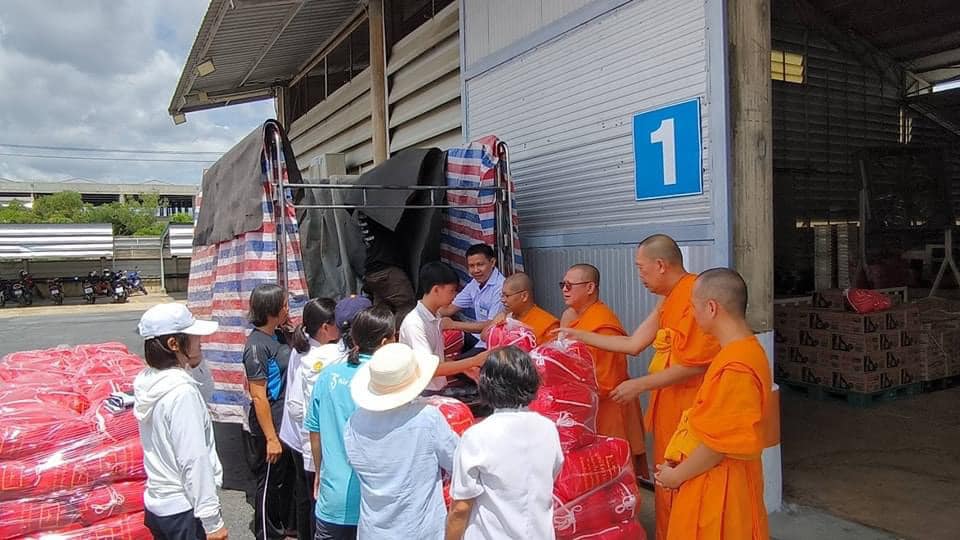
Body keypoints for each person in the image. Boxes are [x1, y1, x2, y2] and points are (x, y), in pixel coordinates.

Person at [557, 235, 720, 540]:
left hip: (692, 407)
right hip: (668, 405)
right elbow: (633, 344)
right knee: (667, 483)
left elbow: (698, 363)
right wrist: (577, 336)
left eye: (641, 269)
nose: (639, 276)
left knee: (687, 486)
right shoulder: (667, 300)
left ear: (661, 265)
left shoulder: (696, 295)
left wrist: (638, 385)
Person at [655, 268, 771, 540]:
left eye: (693, 308)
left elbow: (718, 446)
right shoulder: (735, 352)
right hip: (709, 476)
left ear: (711, 308)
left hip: (721, 488)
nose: (693, 316)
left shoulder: (738, 366)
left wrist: (676, 477)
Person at [446, 346, 563, 540]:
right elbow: (553, 473)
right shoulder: (548, 428)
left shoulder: (477, 436)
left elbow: (460, 507)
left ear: (486, 385)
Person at [344, 342, 456, 540]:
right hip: (420, 531)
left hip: (373, 531)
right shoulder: (427, 418)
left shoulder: (354, 423)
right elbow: (457, 461)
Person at [133, 303, 227, 540]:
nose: (200, 341)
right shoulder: (181, 393)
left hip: (159, 505)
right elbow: (194, 459)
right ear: (173, 344)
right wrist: (212, 521)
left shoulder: (150, 380)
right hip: (184, 509)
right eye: (193, 336)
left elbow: (204, 391)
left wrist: (196, 361)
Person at [304, 305, 397, 540]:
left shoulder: (328, 375)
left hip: (333, 498)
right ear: (385, 343)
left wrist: (319, 472)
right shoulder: (389, 383)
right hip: (376, 503)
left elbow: (315, 432)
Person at [555, 264, 647, 482]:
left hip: (607, 410)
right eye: (562, 285)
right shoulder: (575, 317)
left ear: (590, 288)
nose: (564, 289)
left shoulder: (603, 323)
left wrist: (569, 393)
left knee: (611, 477)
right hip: (587, 410)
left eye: (570, 285)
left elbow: (606, 380)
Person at [280, 297, 339, 540]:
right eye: (337, 323)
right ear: (325, 327)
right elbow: (303, 408)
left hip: (296, 434)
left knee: (305, 496)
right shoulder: (319, 357)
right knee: (314, 498)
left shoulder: (302, 346)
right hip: (307, 437)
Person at [243, 283, 295, 540]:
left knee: (284, 480)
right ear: (272, 309)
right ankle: (267, 533)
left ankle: (284, 527)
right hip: (269, 424)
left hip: (285, 421)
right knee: (269, 482)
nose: (288, 309)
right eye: (284, 305)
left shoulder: (280, 335)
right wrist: (271, 438)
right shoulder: (256, 346)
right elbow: (258, 396)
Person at [400, 261, 490, 391]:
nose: (454, 296)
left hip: (435, 389)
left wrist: (465, 368)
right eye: (451, 290)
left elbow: (436, 358)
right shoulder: (414, 324)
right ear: (436, 290)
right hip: (422, 392)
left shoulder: (435, 316)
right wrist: (473, 361)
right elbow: (430, 368)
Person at [440, 244, 506, 355]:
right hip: (476, 336)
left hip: (491, 343)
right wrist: (426, 311)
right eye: (471, 266)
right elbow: (450, 309)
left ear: (492, 262)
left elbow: (490, 325)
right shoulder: (475, 283)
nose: (475, 270)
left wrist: (453, 324)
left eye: (480, 264)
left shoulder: (501, 287)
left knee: (456, 363)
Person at [494, 272, 559, 346]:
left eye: (507, 296)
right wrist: (495, 325)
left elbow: (548, 351)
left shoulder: (549, 325)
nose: (503, 300)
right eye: (502, 295)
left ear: (524, 296)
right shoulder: (506, 318)